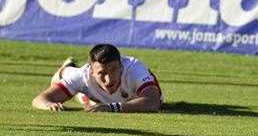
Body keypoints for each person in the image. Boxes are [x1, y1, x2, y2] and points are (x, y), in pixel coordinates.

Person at [33, 43, 162, 112]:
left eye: (114, 70)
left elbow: (152, 102)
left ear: (121, 67)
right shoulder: (82, 75)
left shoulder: (135, 69)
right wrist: (49, 105)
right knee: (62, 77)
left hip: (113, 99)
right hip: (86, 85)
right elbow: (39, 100)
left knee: (91, 102)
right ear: (92, 72)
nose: (109, 79)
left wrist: (111, 107)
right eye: (102, 73)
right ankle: (67, 67)